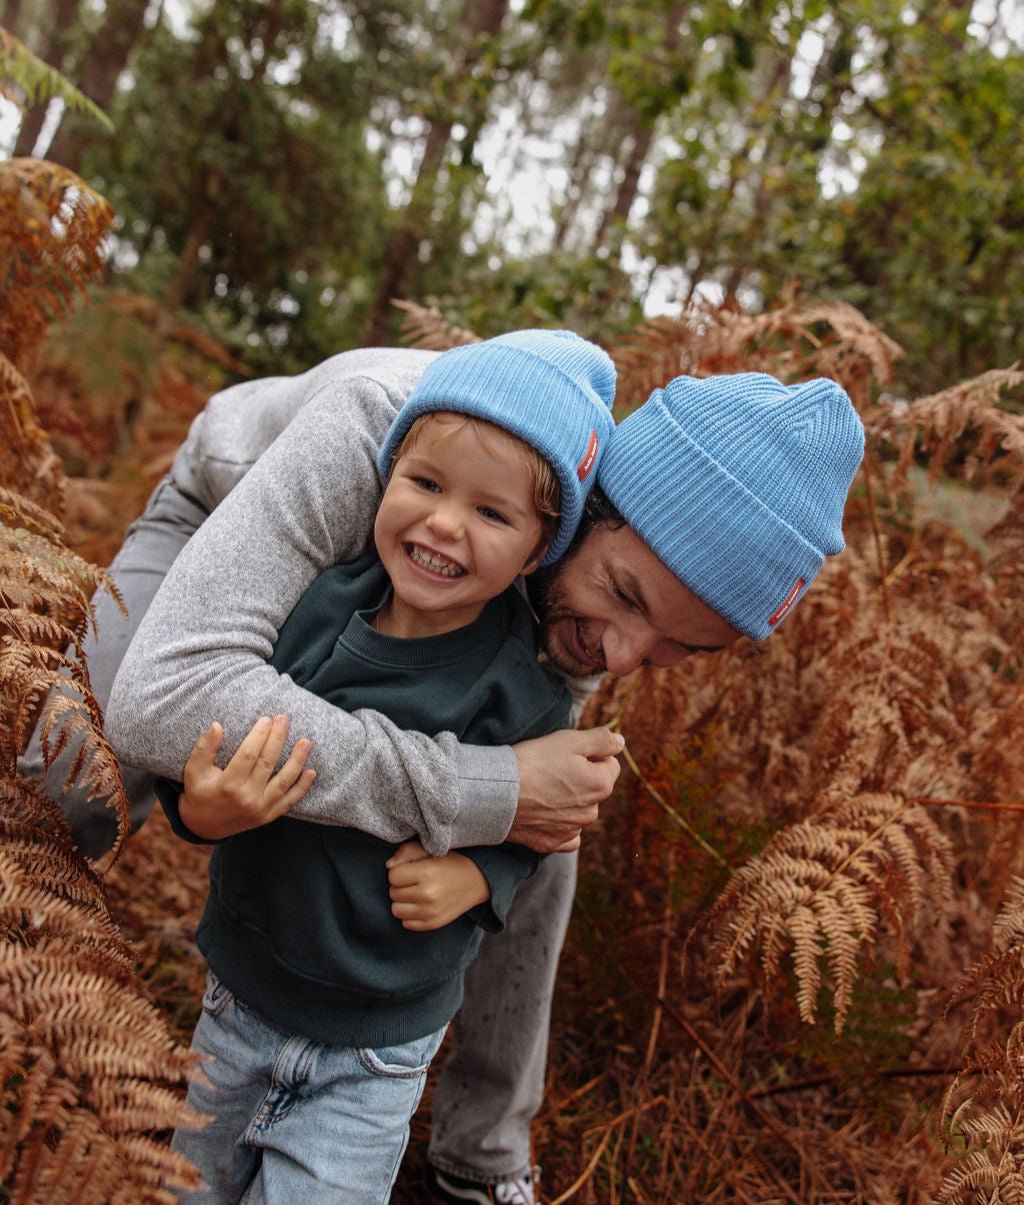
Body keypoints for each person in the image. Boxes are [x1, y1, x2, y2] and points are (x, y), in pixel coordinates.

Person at [24, 350, 864, 1205]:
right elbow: (166, 697)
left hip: (445, 574)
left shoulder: (581, 572)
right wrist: (480, 787)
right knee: (64, 774)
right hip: (230, 516)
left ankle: (482, 1153)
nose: (622, 655)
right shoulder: (376, 431)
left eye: (682, 647)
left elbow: (527, 795)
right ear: (591, 511)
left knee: (547, 811)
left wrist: (507, 807)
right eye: (627, 597)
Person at [158, 329, 616, 1203]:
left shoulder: (520, 690)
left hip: (377, 1051)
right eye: (427, 483)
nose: (444, 522)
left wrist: (480, 877)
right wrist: (200, 811)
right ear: (387, 471)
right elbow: (228, 752)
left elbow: (544, 825)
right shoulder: (316, 613)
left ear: (537, 551)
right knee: (191, 1187)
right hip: (240, 1003)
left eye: (492, 513)